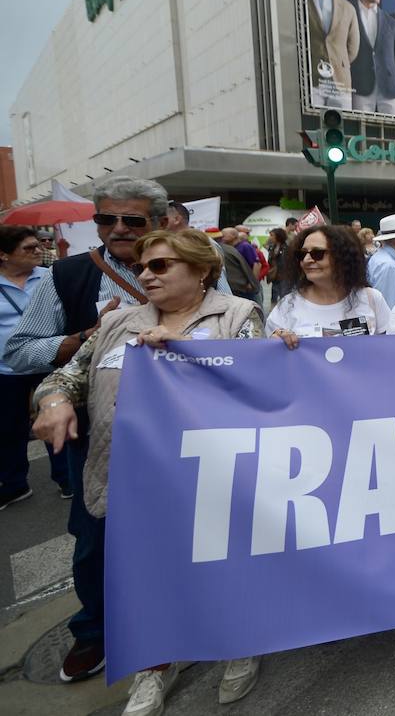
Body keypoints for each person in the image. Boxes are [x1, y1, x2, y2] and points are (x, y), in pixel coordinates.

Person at [30, 228, 266, 712]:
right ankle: (154, 664)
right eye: (143, 266)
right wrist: (54, 400)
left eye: (160, 265)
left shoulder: (238, 315)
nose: (145, 274)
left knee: (222, 567)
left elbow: (254, 385)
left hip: (211, 479)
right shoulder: (118, 323)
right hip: (128, 479)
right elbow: (68, 375)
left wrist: (182, 352)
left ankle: (236, 645)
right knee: (143, 578)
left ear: (201, 270)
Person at [1, 177, 214, 683]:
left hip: (190, 436)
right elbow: (19, 351)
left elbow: (239, 334)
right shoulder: (66, 277)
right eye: (106, 219)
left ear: (162, 223)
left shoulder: (207, 276)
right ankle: (95, 632)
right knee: (96, 537)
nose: (118, 229)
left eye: (132, 220)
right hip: (105, 436)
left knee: (192, 531)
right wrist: (83, 344)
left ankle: (193, 618)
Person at [0, 225, 66, 509]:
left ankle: (68, 480)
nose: (39, 250)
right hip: (6, 370)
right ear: (3, 255)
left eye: (39, 245)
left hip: (48, 362)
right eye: (29, 248)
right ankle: (15, 485)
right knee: (8, 429)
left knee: (57, 420)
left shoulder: (52, 277)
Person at [269, 225, 391, 341]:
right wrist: (276, 342)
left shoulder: (372, 299)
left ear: (342, 256)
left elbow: (389, 349)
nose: (307, 260)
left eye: (317, 254)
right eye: (301, 254)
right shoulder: (287, 306)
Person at [303, 0, 359, 109]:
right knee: (311, 133)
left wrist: (336, 61)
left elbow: (353, 48)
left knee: (340, 134)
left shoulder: (347, 7)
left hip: (340, 83)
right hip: (309, 80)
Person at [349, 0, 395, 114]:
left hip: (390, 89)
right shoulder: (349, 13)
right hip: (360, 87)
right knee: (360, 133)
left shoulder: (392, 23)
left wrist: (388, 72)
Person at [211, 228, 262, 305]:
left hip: (245, 287)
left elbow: (257, 264)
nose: (222, 236)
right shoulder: (232, 247)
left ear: (233, 236)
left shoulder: (245, 246)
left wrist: (251, 283)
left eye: (224, 235)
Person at [264, 227, 291, 304]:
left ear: (278, 236)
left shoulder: (286, 248)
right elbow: (265, 245)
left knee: (284, 298)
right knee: (274, 298)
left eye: (272, 235)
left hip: (284, 277)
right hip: (275, 277)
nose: (270, 237)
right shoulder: (272, 247)